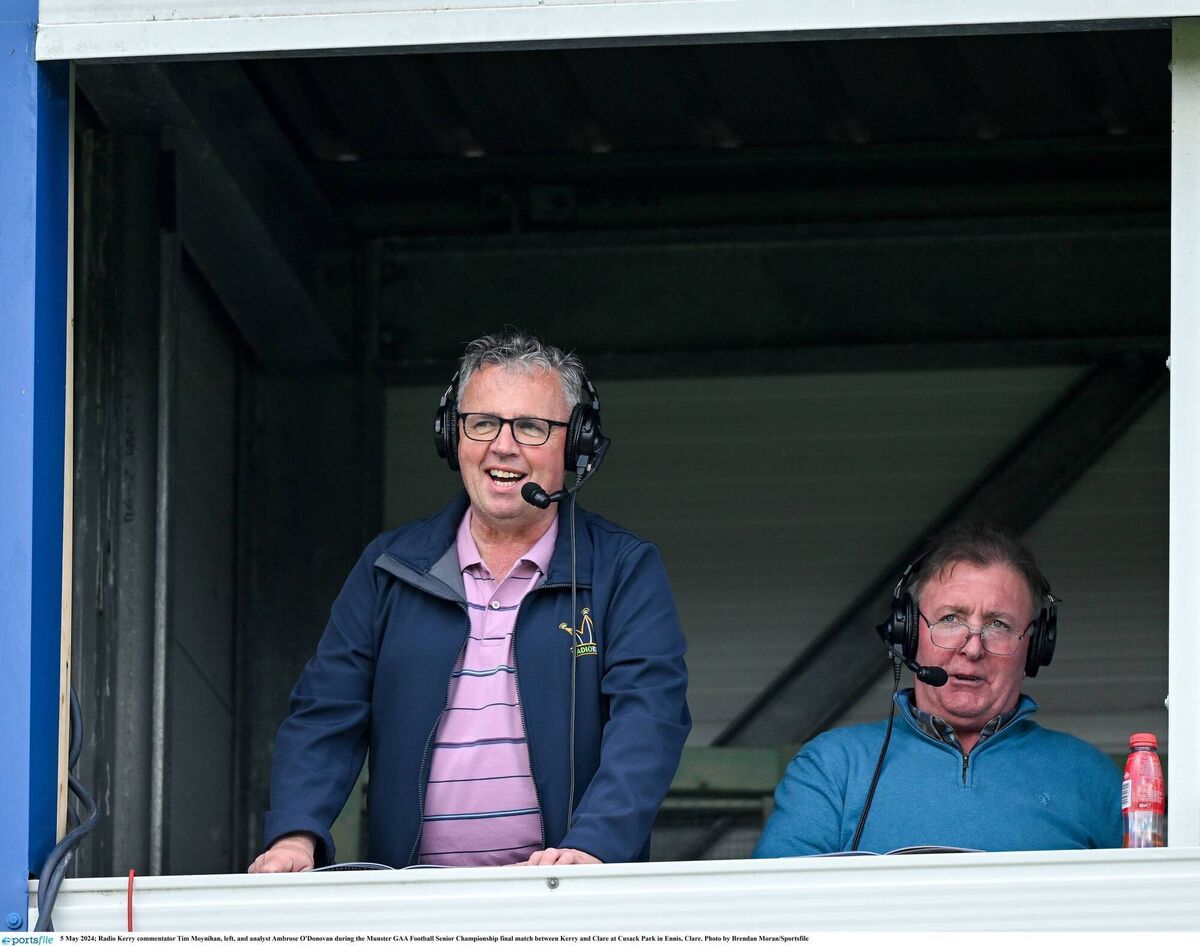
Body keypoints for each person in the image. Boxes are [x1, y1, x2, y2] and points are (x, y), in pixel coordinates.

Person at [249, 330, 690, 871]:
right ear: (452, 436)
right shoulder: (389, 568)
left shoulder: (623, 569)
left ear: (576, 444)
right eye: (482, 423)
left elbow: (650, 716)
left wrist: (595, 843)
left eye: (531, 427)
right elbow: (325, 713)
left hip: (569, 898)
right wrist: (297, 833)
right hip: (414, 904)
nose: (503, 446)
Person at [753, 525, 1122, 857]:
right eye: (950, 619)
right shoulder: (832, 766)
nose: (973, 648)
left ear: (1036, 646)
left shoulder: (1093, 777)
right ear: (908, 632)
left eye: (998, 624)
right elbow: (772, 916)